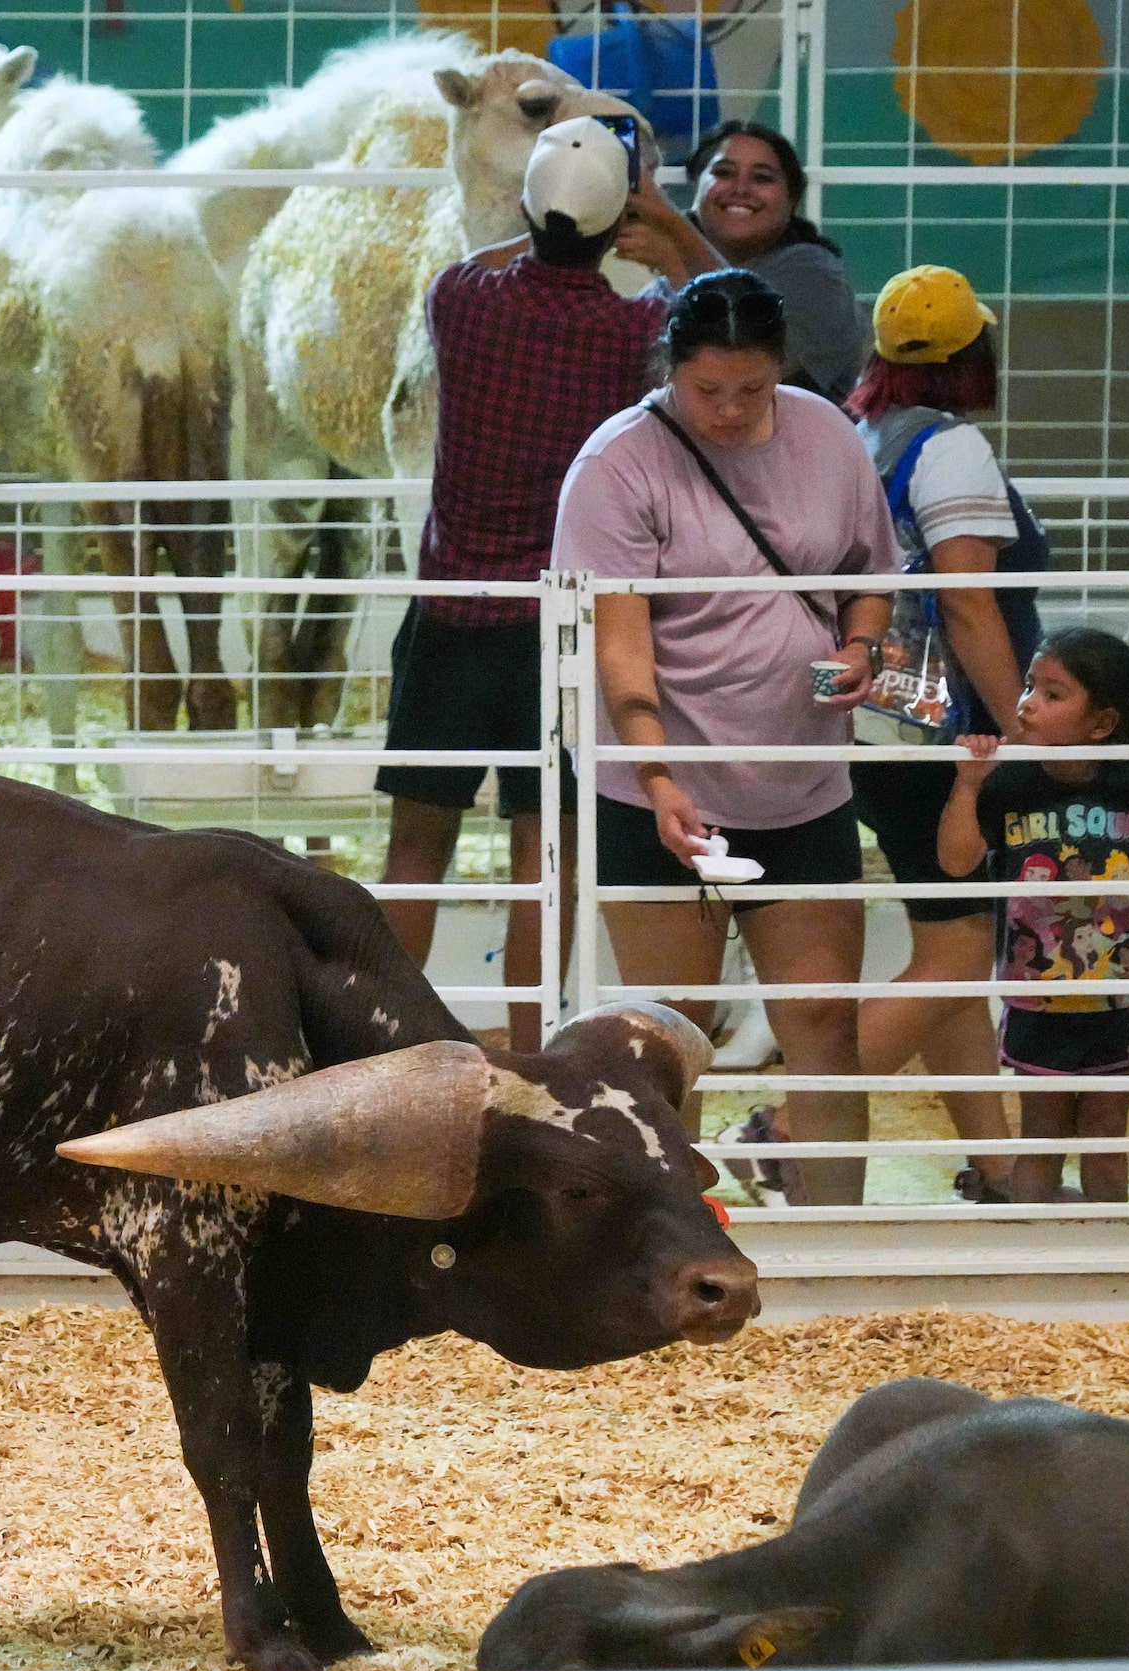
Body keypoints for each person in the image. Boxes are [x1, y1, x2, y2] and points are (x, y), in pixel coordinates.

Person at [553, 271, 900, 1206]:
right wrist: (655, 771)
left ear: (780, 370)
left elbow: (869, 568)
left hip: (801, 776)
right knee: (673, 1034)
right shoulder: (618, 464)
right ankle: (669, 1255)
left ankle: (836, 1244)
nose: (732, 411)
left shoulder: (826, 433)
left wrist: (862, 644)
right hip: (660, 791)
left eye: (752, 390)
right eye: (708, 391)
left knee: (824, 1017)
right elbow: (618, 644)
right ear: (671, 367)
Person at [376, 114, 718, 1052]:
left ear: (529, 207)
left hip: (447, 611)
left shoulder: (460, 297)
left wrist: (551, 217)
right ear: (618, 220)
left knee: (416, 850)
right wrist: (654, 226)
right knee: (545, 856)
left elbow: (491, 255)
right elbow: (710, 304)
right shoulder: (631, 325)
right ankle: (532, 1052)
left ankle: (383, 1045)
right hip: (557, 628)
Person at [842, 263, 1047, 1204]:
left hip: (873, 723)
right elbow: (969, 606)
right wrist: (1026, 734)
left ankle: (997, 1164)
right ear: (973, 354)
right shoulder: (950, 448)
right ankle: (789, 1122)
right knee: (961, 951)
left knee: (946, 948)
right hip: (944, 735)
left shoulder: (859, 435)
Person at [937, 629, 1129, 1205]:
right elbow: (956, 860)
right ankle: (1036, 1265)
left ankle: (1109, 1264)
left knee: (1106, 1139)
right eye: (1029, 686)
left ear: (1101, 723)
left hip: (1122, 998)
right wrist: (966, 787)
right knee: (1040, 1138)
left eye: (1052, 694)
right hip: (1037, 998)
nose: (1027, 703)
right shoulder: (1008, 780)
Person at [677, 121, 866, 400]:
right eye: (724, 173)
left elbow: (744, 372)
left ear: (793, 200)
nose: (741, 188)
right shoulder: (662, 281)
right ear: (695, 188)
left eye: (762, 178)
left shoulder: (815, 275)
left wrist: (670, 229)